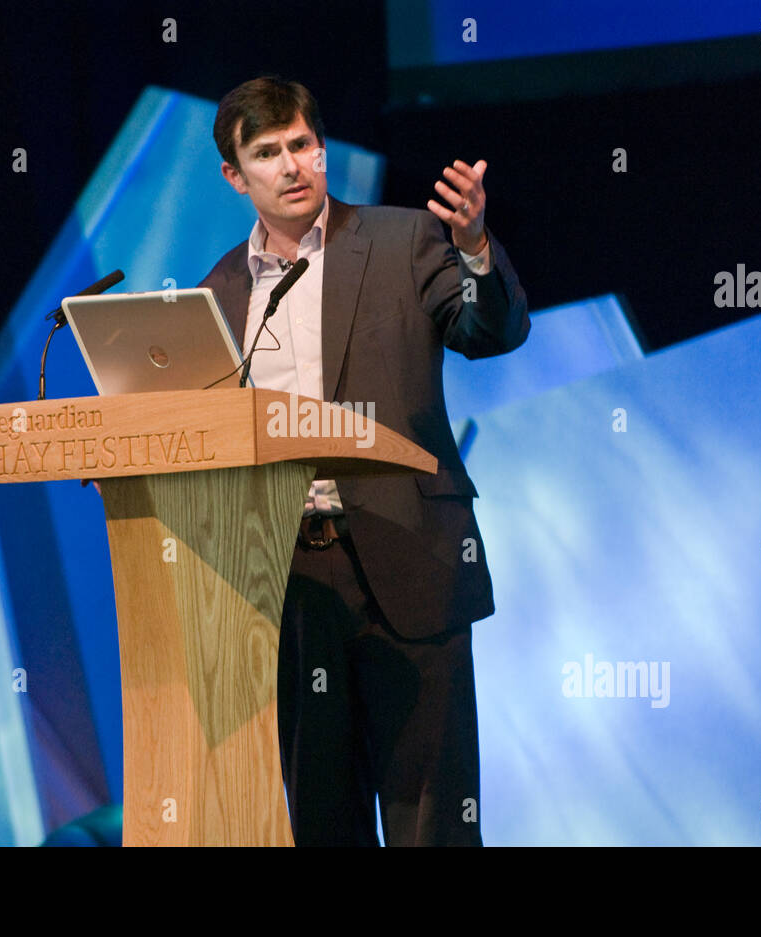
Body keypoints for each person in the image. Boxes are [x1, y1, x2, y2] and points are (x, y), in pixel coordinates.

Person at [198, 76, 530, 846]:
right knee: (322, 821)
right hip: (289, 584)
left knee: (434, 821)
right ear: (234, 175)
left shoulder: (401, 237)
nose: (292, 166)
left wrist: (475, 245)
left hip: (409, 559)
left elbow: (491, 331)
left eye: (304, 146)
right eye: (268, 153)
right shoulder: (220, 289)